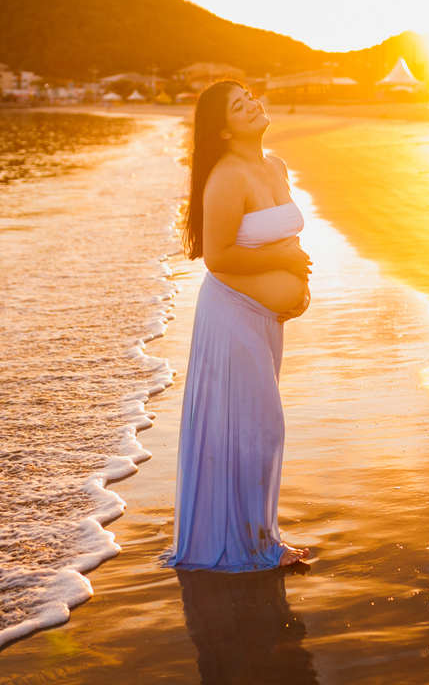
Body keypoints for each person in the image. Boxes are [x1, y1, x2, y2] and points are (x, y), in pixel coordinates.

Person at [167, 80, 311, 572]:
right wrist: (288, 258)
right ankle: (245, 547)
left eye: (250, 96)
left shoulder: (275, 167)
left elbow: (275, 239)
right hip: (232, 314)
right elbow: (218, 255)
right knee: (255, 429)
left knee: (256, 428)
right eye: (237, 106)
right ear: (223, 130)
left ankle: (259, 536)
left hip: (265, 318)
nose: (251, 104)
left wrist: (295, 281)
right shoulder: (227, 176)